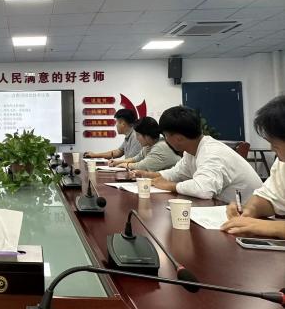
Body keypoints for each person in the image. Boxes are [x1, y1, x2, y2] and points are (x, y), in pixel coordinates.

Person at [133, 106, 262, 202]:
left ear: (178, 138)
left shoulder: (211, 153)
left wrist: (172, 186)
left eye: (166, 135)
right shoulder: (192, 150)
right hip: (224, 207)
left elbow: (204, 189)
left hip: (250, 215)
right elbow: (177, 173)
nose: (165, 139)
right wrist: (149, 176)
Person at [222, 96, 285, 239]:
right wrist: (250, 210)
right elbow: (271, 198)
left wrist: (273, 227)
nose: (271, 148)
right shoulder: (282, 163)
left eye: (274, 142)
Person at [114, 116, 180, 172]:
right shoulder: (149, 145)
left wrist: (125, 165)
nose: (137, 138)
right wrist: (117, 162)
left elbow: (143, 166)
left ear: (147, 135)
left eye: (138, 135)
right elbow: (136, 158)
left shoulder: (161, 147)